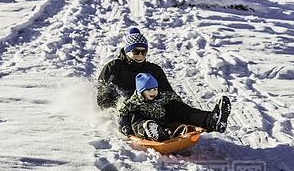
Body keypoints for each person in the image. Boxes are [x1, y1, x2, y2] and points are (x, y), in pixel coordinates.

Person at [97, 27, 231, 135]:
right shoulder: (114, 67)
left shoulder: (153, 69)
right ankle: (150, 129)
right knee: (134, 116)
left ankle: (212, 121)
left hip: (156, 107)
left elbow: (167, 92)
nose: (140, 55)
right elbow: (103, 96)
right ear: (127, 51)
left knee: (176, 107)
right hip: (131, 108)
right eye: (136, 51)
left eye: (144, 52)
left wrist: (176, 106)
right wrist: (115, 112)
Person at [118, 73, 187, 141]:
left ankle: (170, 133)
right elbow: (123, 110)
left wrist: (180, 105)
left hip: (160, 122)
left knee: (167, 128)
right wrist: (123, 124)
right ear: (141, 91)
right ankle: (149, 132)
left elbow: (173, 96)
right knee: (138, 123)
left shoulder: (161, 97)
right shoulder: (135, 101)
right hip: (143, 123)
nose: (153, 93)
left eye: (155, 89)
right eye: (148, 90)